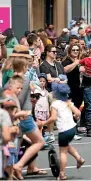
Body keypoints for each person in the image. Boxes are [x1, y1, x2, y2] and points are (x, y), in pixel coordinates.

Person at [9, 46, 45, 180]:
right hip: (24, 115)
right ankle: (19, 165)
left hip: (15, 116)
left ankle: (15, 169)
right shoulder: (23, 79)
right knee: (39, 141)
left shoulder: (10, 77)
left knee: (17, 143)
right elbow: (21, 100)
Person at [42, 82, 85, 180]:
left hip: (64, 130)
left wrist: (43, 123)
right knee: (66, 146)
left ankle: (62, 173)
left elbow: (53, 118)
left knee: (62, 152)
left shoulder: (55, 104)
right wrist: (75, 117)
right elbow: (78, 112)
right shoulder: (68, 102)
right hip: (72, 129)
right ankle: (79, 158)